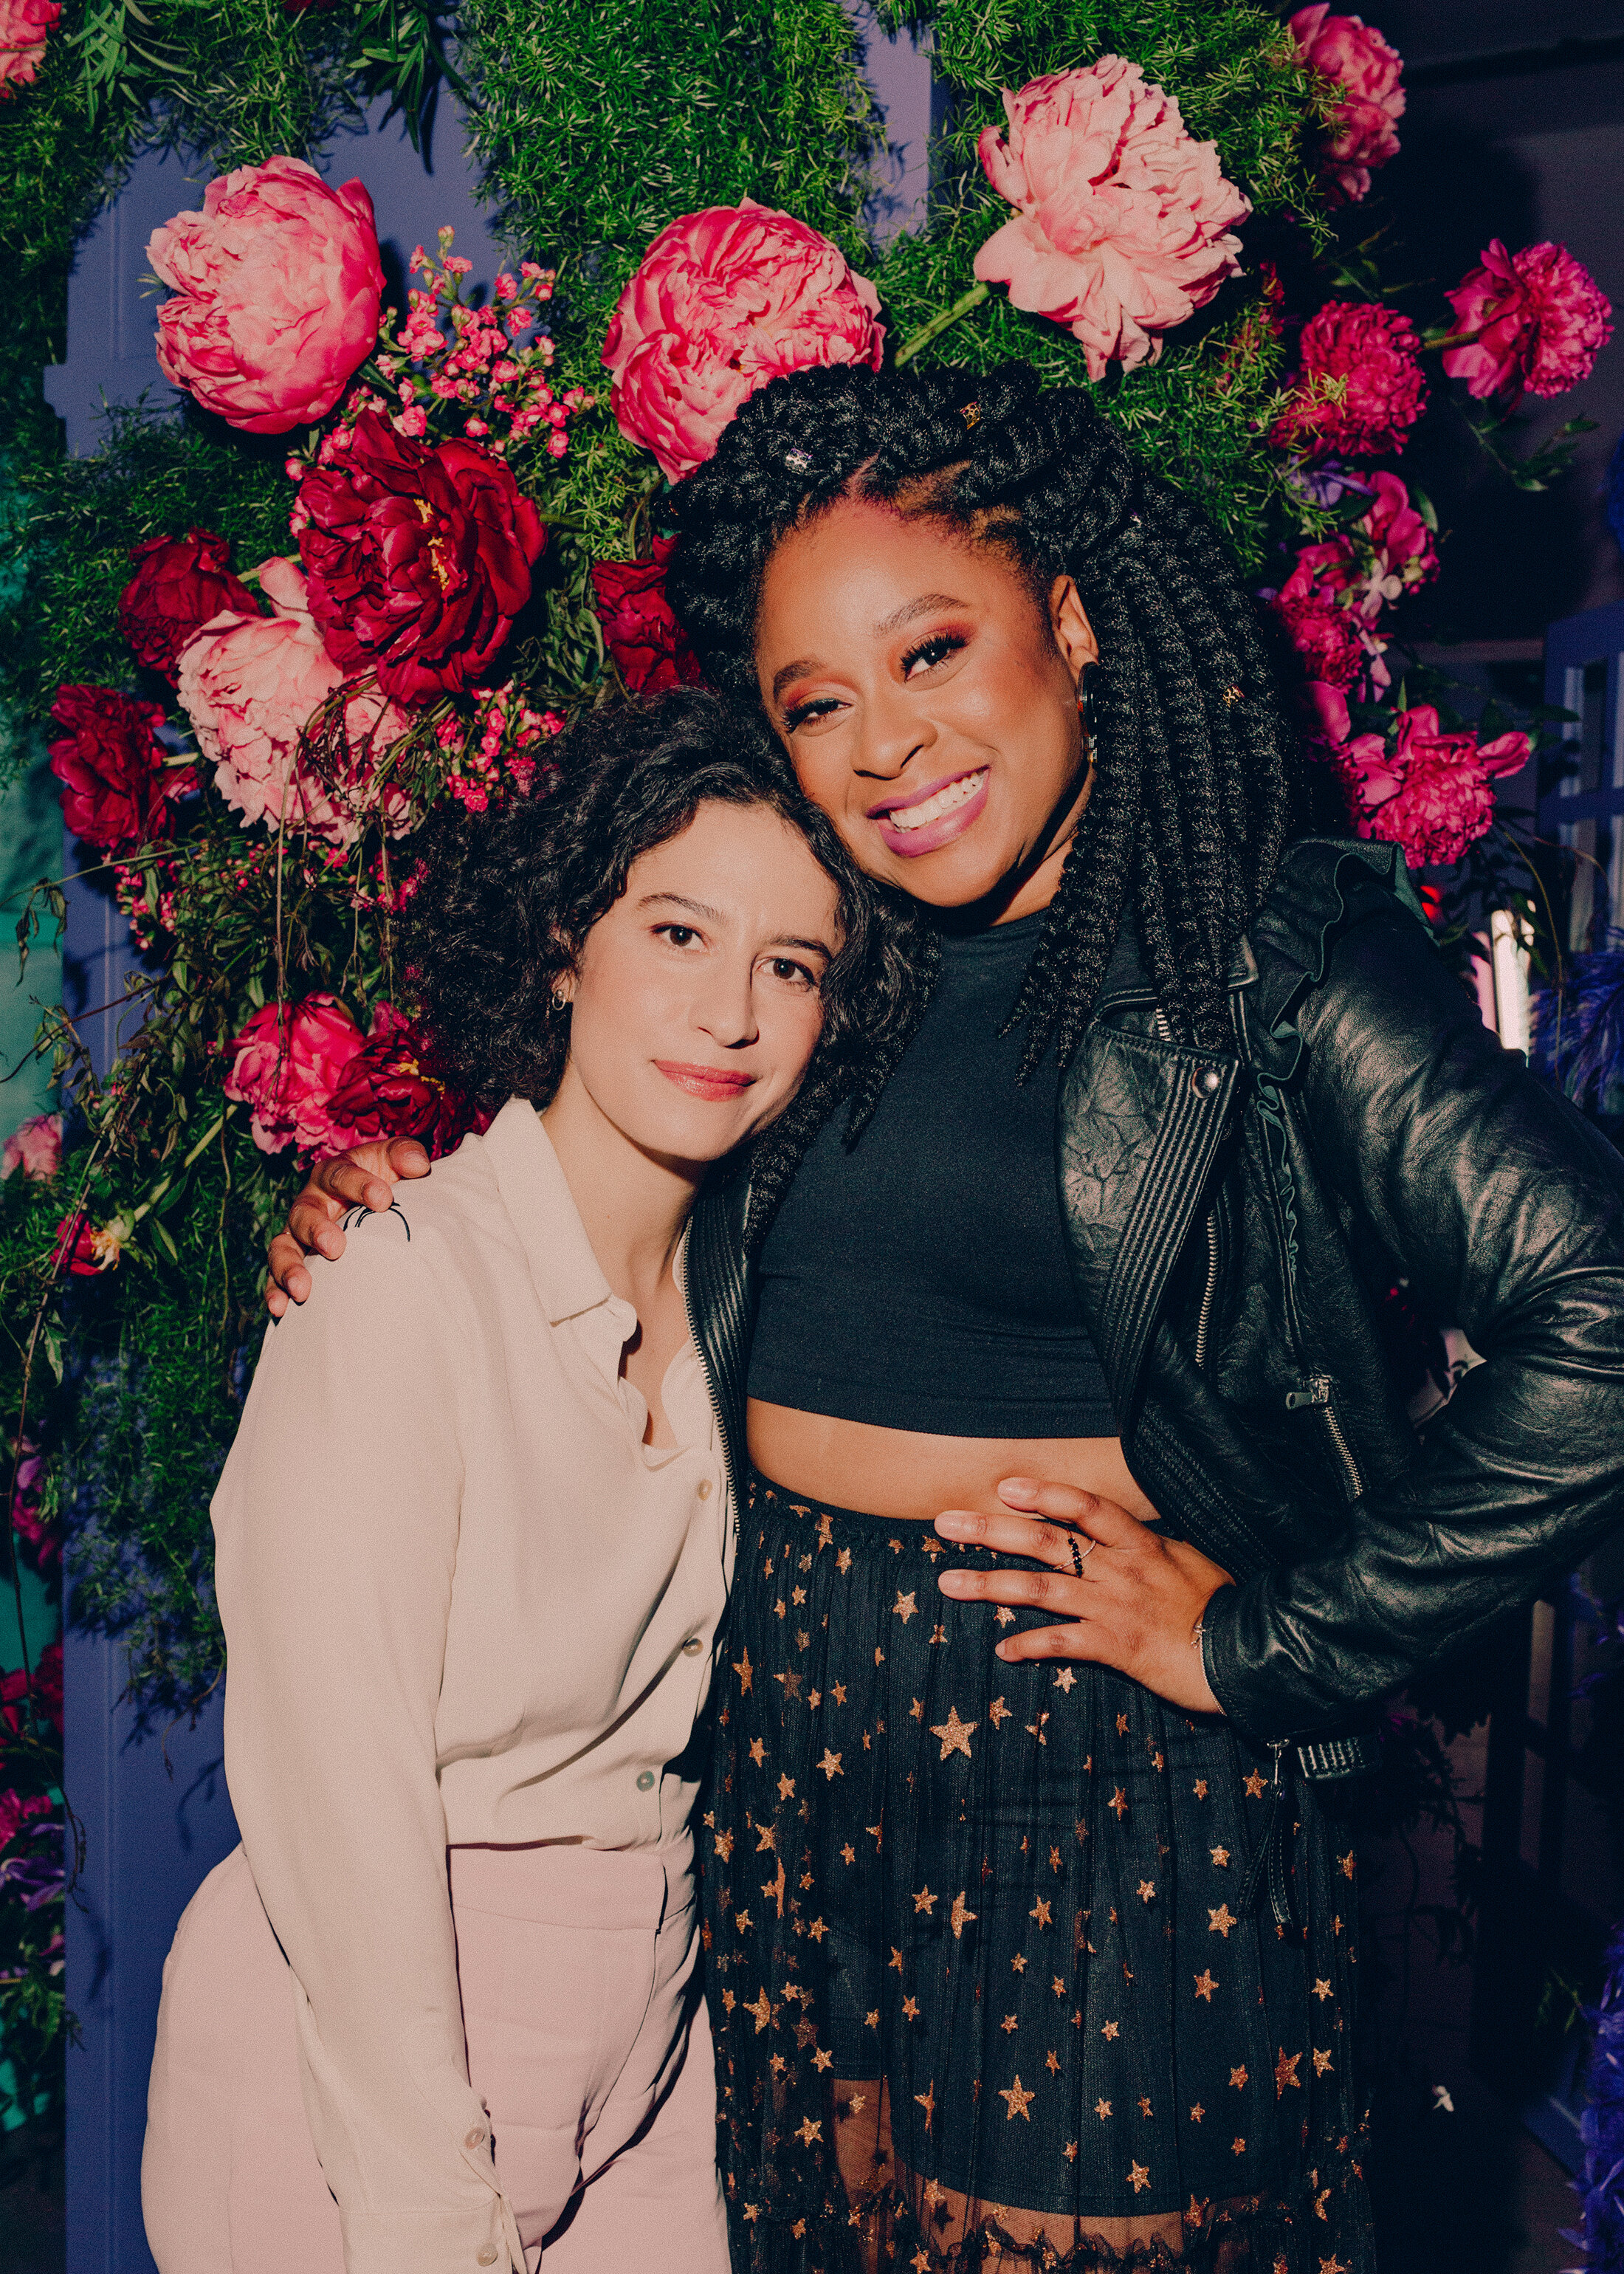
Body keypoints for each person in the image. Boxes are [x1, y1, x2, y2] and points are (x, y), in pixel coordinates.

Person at [270, 363, 1624, 2274]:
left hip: (1102, 1749)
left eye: (932, 651)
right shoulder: (825, 960)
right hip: (776, 1733)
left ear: (1068, 621)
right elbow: (621, 1186)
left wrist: (1276, 1644)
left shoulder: (1269, 958)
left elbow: (1603, 1310)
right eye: (819, 701)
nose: (884, 743)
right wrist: (399, 1211)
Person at [141, 689, 912, 2274]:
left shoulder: (744, 1306)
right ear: (568, 940)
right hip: (350, 2082)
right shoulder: (399, 1281)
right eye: (679, 934)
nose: (731, 1016)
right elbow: (337, 1794)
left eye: (790, 966)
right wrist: (431, 2219)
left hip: (638, 2030)